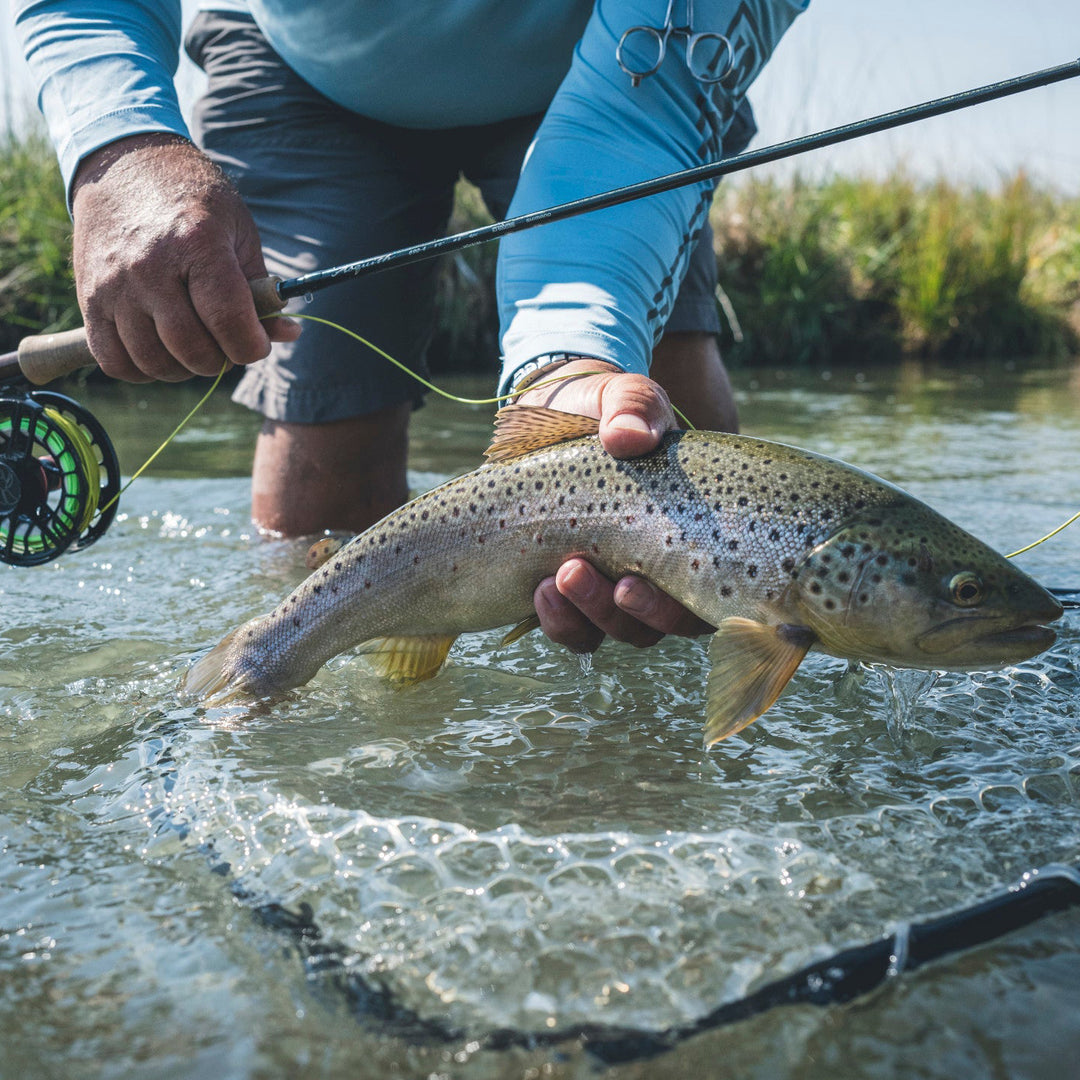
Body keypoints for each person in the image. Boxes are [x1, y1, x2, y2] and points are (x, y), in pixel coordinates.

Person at [14, 0, 809, 655]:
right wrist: (118, 151)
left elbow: (633, 125)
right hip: (302, 63)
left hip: (613, 70)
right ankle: (279, 667)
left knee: (660, 433)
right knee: (328, 441)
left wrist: (566, 364)